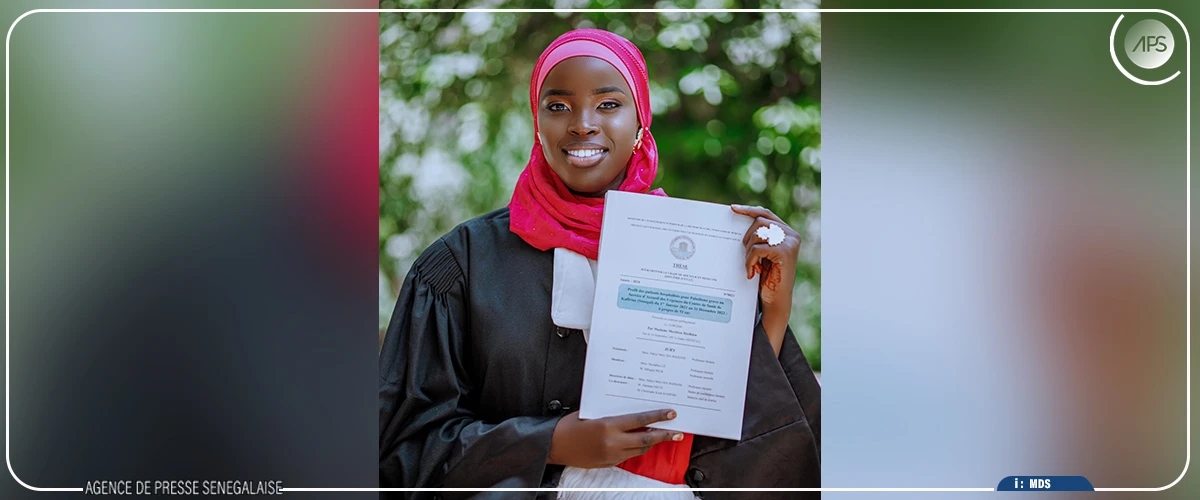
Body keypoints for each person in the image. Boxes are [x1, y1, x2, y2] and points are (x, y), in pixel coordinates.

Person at [379, 29, 821, 500]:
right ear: (537, 121)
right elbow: (402, 452)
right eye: (558, 106)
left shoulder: (705, 252)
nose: (583, 124)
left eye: (609, 104)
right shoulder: (460, 266)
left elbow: (747, 449)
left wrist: (772, 308)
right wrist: (550, 443)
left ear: (640, 123)